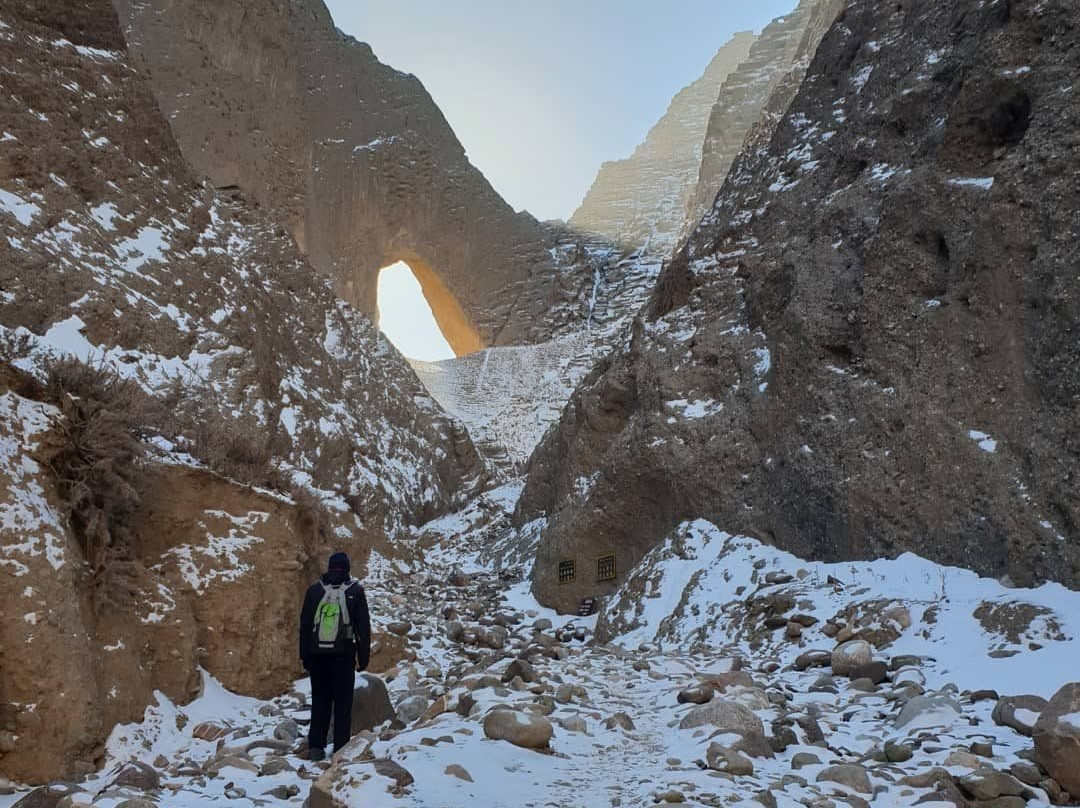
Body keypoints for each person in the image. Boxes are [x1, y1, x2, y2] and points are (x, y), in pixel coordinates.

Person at [299, 551, 371, 761]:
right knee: (342, 704)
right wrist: (363, 658)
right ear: (347, 568)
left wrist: (305, 656)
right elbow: (363, 628)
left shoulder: (314, 591)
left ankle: (316, 747)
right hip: (344, 656)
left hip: (318, 657)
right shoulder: (355, 591)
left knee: (320, 701)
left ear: (329, 567)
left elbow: (304, 626)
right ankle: (340, 749)